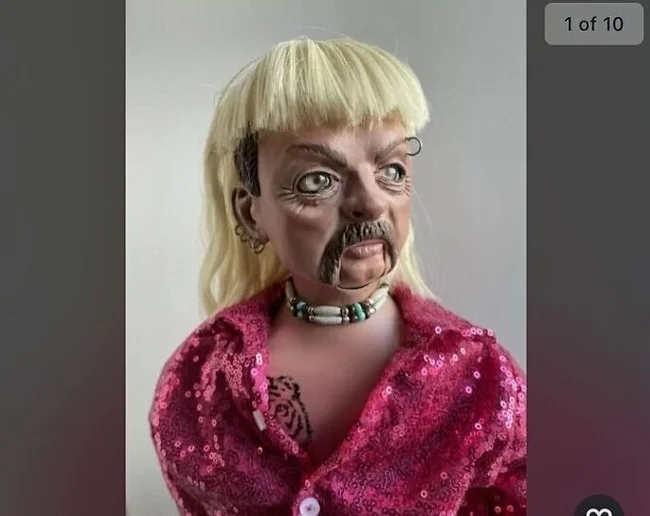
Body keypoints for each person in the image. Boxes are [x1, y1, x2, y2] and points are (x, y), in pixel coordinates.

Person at [150, 37, 526, 516]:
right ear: (250, 214)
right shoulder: (202, 380)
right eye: (317, 180)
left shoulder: (480, 377)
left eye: (392, 171)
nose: (370, 203)